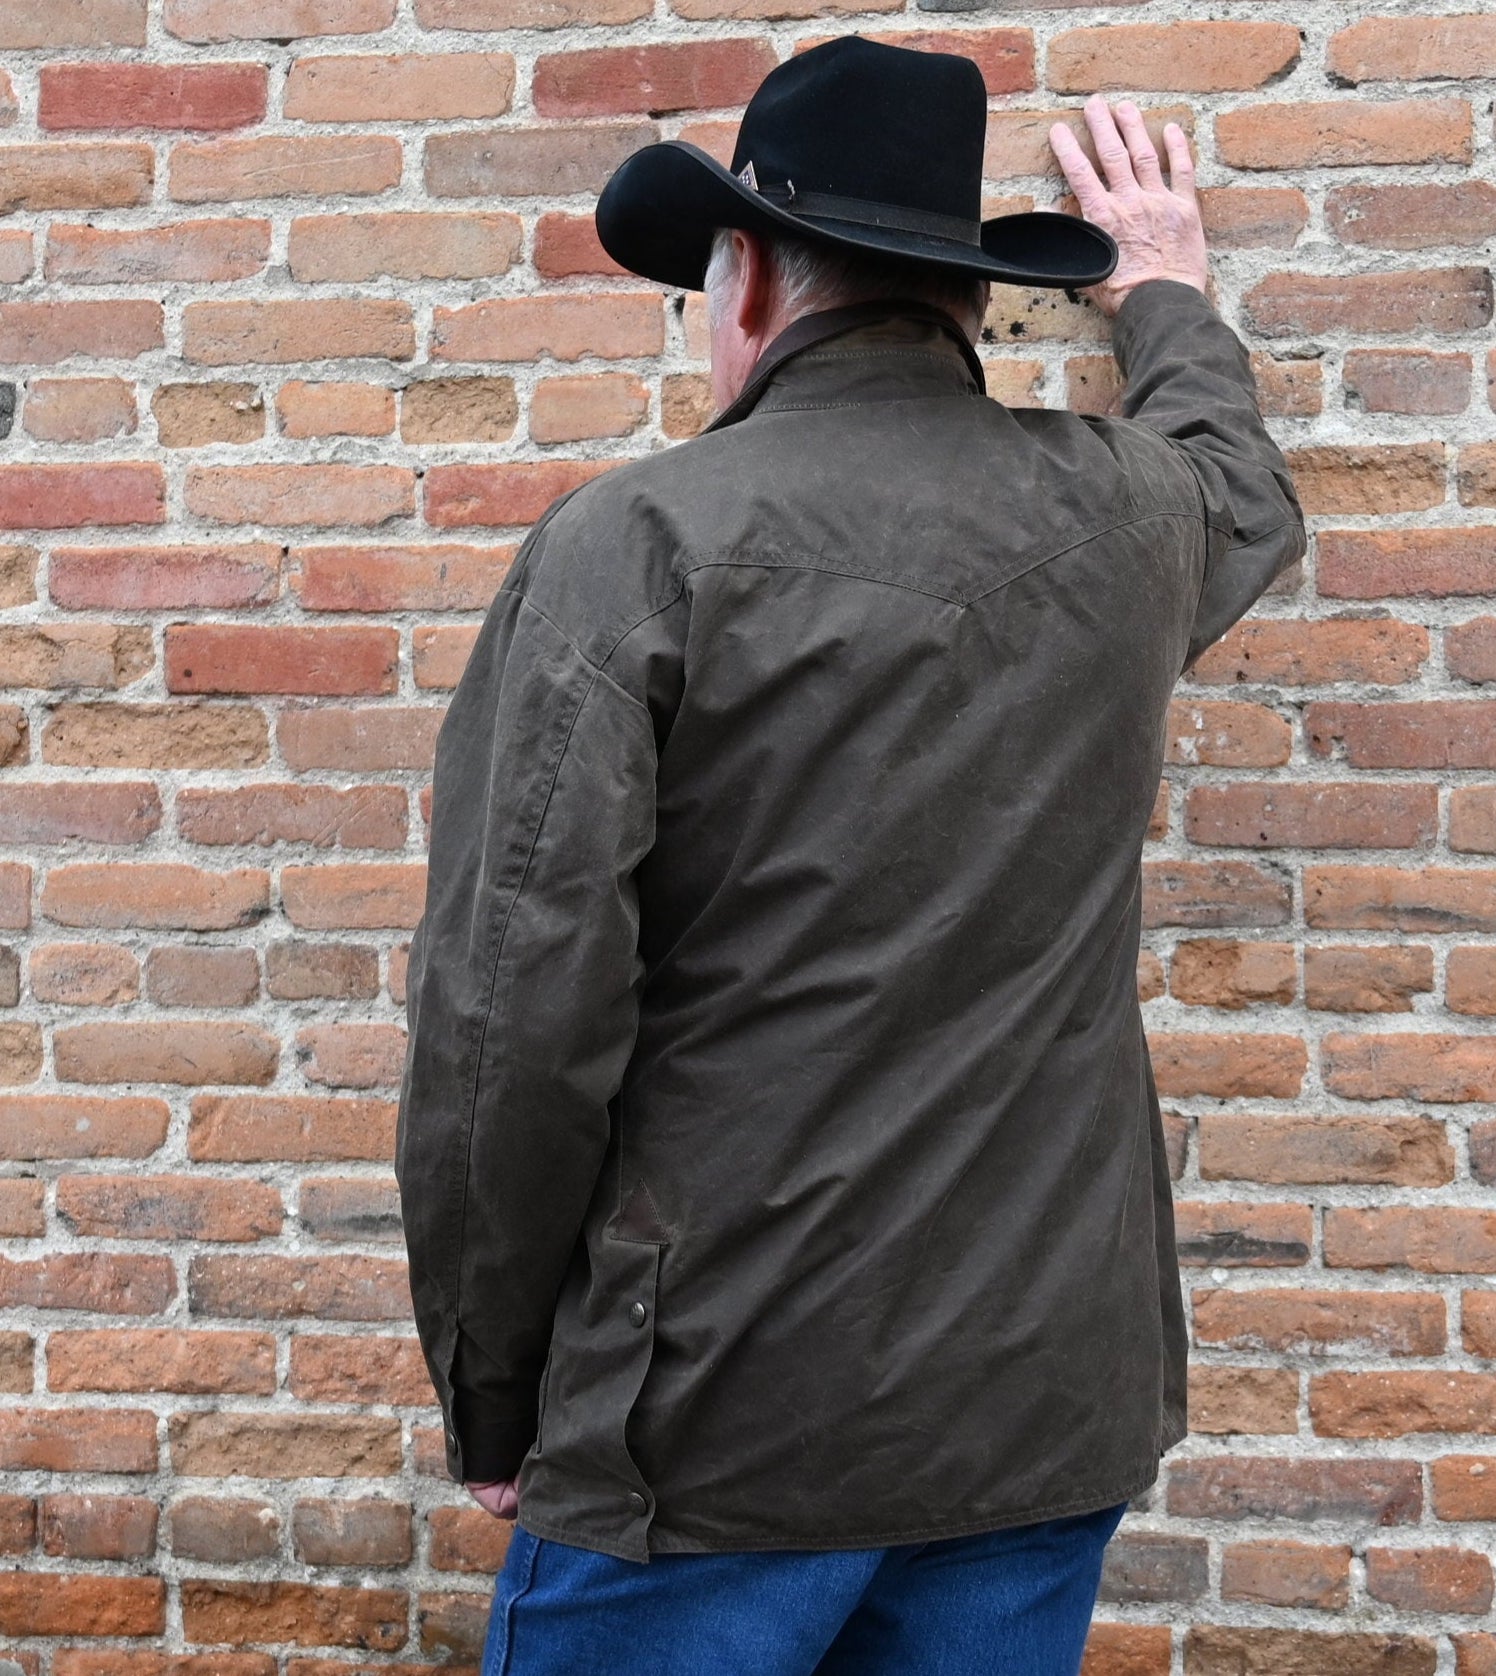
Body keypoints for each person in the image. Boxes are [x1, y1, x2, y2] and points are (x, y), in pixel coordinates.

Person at [395, 34, 1305, 1676]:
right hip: (1037, 1408)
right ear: (968, 298)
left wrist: (501, 1391)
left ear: (745, 281)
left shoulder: (635, 548)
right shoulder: (1129, 519)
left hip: (717, 1433)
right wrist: (1163, 292)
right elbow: (1240, 487)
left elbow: (509, 1020)